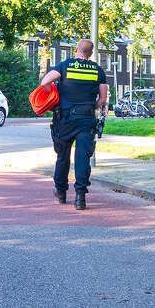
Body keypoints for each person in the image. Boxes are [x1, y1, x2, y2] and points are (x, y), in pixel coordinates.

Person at [37, 38, 108, 210]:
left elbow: (44, 82)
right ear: (91, 53)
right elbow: (103, 99)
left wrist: (53, 96)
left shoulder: (65, 65)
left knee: (62, 156)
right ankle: (80, 198)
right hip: (86, 119)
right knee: (83, 157)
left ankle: (61, 192)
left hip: (65, 119)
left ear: (76, 49)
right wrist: (92, 107)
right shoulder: (98, 71)